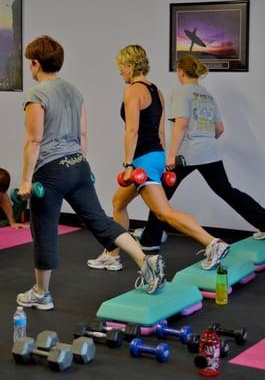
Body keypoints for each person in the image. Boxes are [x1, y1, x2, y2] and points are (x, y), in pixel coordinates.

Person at [16, 36, 166, 311]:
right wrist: (80, 163)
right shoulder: (74, 90)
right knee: (101, 222)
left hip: (50, 171)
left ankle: (41, 293)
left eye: (30, 63)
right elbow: (83, 134)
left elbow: (34, 140)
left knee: (45, 229)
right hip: (79, 166)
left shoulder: (36, 95)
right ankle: (146, 262)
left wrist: (26, 180)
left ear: (35, 64)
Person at [87, 45, 230, 272]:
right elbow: (161, 133)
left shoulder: (133, 90)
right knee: (118, 202)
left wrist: (128, 164)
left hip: (142, 160)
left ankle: (213, 243)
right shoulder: (157, 91)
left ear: (129, 65)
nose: (120, 72)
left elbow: (132, 130)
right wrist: (163, 161)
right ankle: (112, 254)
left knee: (164, 212)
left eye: (121, 67)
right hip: (156, 156)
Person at [133, 54, 265, 252]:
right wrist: (205, 142)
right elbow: (219, 129)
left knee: (160, 194)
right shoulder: (206, 94)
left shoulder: (182, 92)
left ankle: (151, 240)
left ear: (181, 71)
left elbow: (182, 124)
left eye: (177, 70)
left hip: (186, 155)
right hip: (210, 153)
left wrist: (171, 155)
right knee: (227, 190)